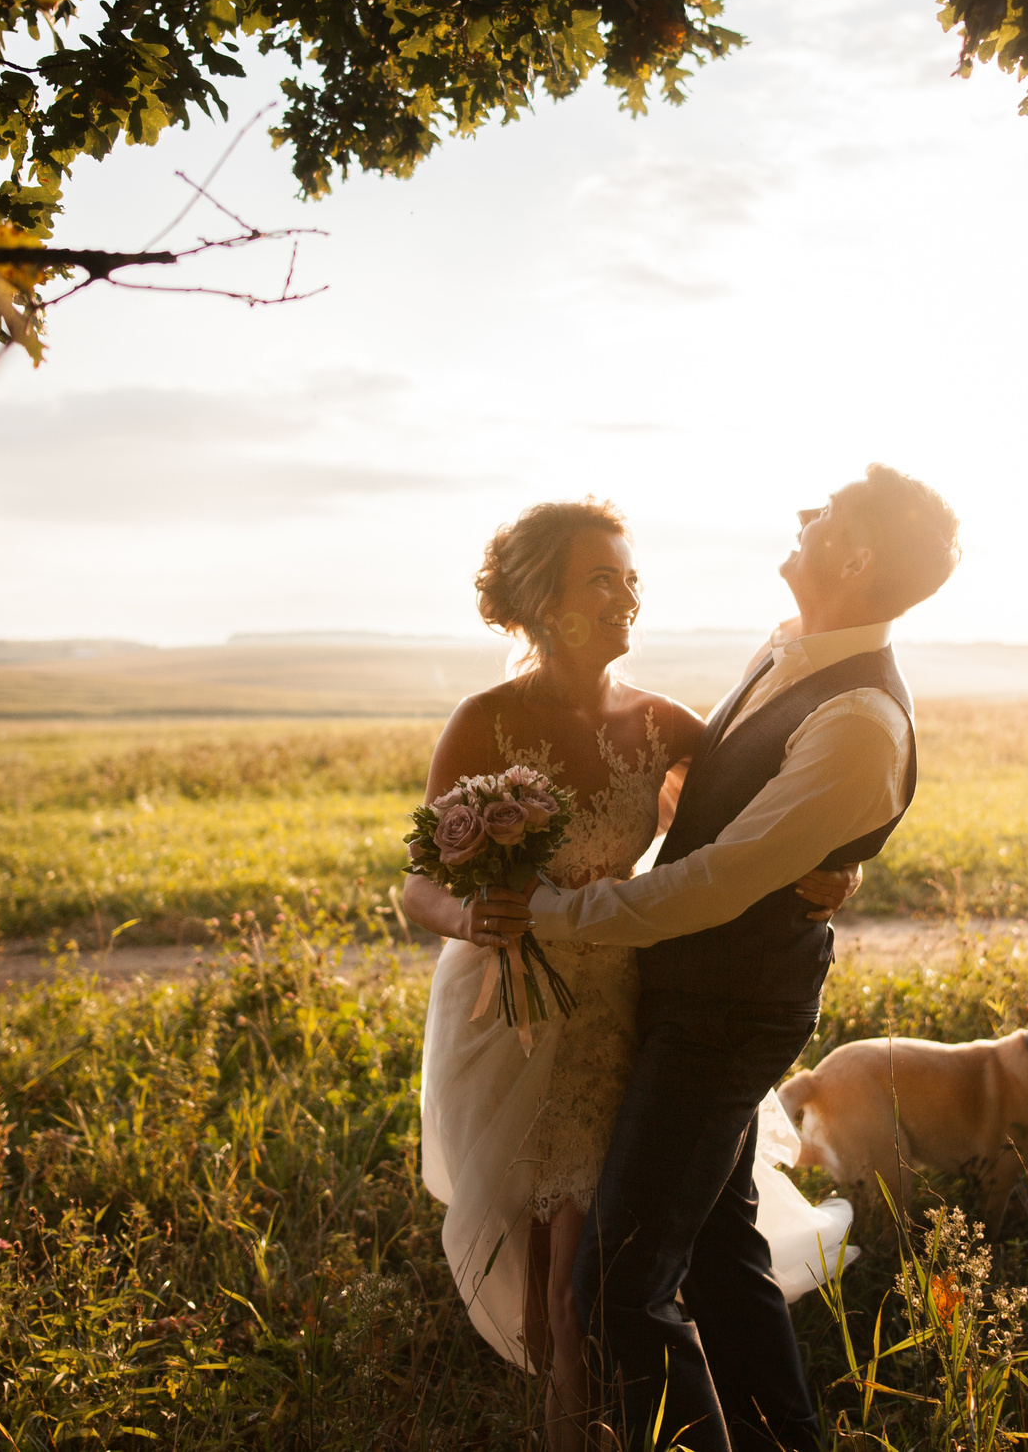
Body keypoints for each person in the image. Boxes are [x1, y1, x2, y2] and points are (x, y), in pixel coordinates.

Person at [506, 463, 963, 1451]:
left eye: (827, 511)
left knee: (619, 1287)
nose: (805, 515)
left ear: (857, 555)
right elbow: (734, 811)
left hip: (728, 1012)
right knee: (718, 1258)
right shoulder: (794, 647)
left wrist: (546, 911)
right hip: (693, 986)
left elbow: (717, 880)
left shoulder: (860, 722)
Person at [399, 498, 862, 1452]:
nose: (626, 596)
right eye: (599, 579)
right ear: (542, 600)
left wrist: (838, 861)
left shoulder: (661, 724)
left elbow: (769, 801)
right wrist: (468, 914)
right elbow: (418, 884)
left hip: (620, 1003)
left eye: (630, 577)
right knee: (541, 1285)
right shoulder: (483, 721)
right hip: (506, 1013)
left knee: (585, 1282)